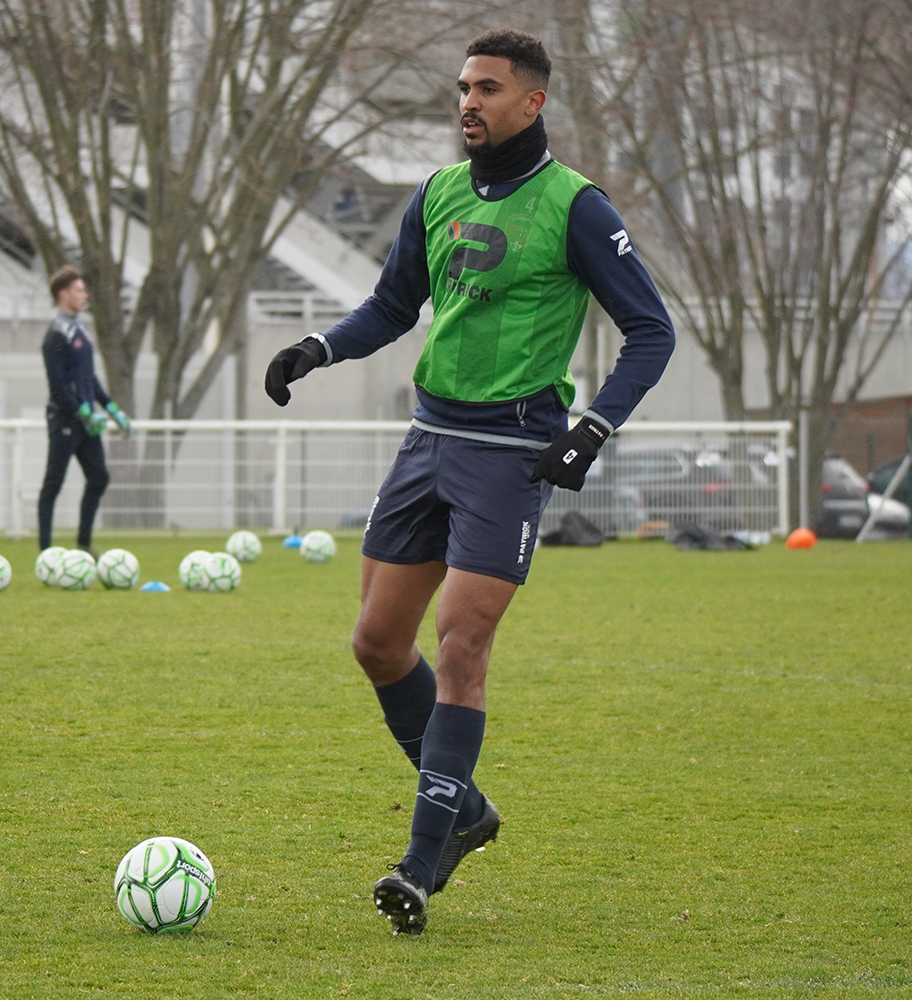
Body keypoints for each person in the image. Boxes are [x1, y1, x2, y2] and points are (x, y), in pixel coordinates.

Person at [265, 29, 675, 935]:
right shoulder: (438, 194)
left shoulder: (575, 206)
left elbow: (652, 330)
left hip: (508, 454)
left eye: (487, 88)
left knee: (461, 644)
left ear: (532, 103)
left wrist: (589, 430)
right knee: (376, 643)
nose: (468, 102)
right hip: (425, 442)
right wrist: (317, 348)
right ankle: (468, 810)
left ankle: (421, 860)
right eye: (461, 87)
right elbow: (391, 306)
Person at [38, 264, 131, 555]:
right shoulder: (54, 336)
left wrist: (112, 408)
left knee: (99, 477)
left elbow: (88, 377)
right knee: (54, 482)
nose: (85, 296)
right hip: (65, 419)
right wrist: (83, 413)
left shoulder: (81, 331)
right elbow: (58, 386)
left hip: (87, 422)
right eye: (79, 291)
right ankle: (46, 551)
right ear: (63, 294)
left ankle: (84, 544)